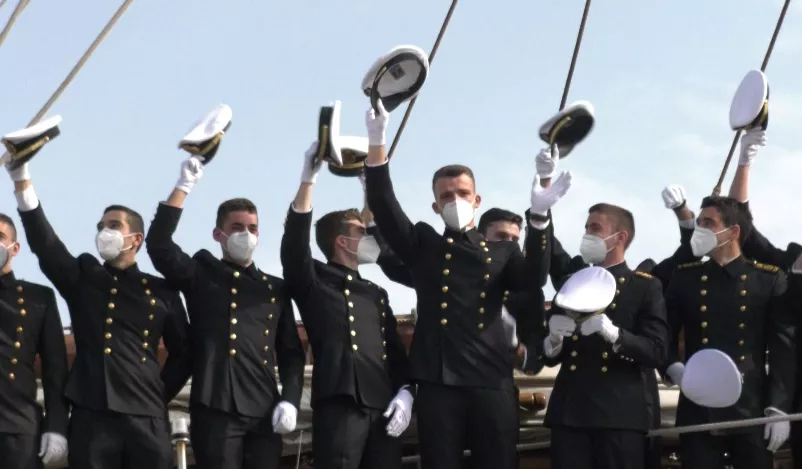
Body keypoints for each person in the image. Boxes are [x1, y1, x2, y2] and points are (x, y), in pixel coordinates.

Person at [361, 100, 552, 469]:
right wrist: (377, 142)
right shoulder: (423, 245)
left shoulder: (502, 252)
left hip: (490, 381)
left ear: (477, 200)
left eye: (462, 193)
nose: (455, 200)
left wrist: (541, 219)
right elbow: (385, 207)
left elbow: (535, 278)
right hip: (438, 384)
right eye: (446, 196)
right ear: (434, 206)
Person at [5, 126, 192, 469]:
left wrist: (154, 393)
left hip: (147, 420)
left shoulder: (162, 291)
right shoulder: (84, 278)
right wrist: (22, 181)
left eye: (114, 225)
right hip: (93, 416)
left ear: (135, 239)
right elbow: (47, 246)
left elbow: (184, 352)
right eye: (101, 225)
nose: (104, 231)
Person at [145, 152, 306, 469]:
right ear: (218, 234)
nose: (246, 234)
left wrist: (289, 398)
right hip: (215, 406)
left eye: (252, 227)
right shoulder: (201, 274)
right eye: (236, 227)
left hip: (263, 408)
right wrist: (184, 184)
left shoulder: (274, 289)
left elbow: (290, 352)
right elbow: (159, 245)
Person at [525, 147, 669, 469]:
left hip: (618, 416)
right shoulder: (573, 282)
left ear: (620, 237)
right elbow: (548, 353)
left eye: (595, 228)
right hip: (570, 413)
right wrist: (553, 342)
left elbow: (657, 351)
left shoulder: (644, 286)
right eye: (587, 227)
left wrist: (616, 334)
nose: (587, 234)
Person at [280, 142, 413, 468]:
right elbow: (294, 248)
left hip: (383, 406)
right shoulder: (316, 282)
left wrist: (406, 392)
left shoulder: (376, 293)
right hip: (339, 406)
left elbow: (395, 355)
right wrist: (308, 179)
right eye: (359, 231)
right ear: (341, 241)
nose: (368, 235)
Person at [660, 195, 794, 468]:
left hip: (751, 406)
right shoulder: (685, 277)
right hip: (698, 404)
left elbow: (783, 349)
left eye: (709, 222)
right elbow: (664, 333)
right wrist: (672, 365)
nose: (701, 229)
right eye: (699, 223)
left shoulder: (768, 279)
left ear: (733, 232)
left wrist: (779, 407)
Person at [0, 212, 69, 469]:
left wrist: (57, 426)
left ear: (14, 248)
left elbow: (56, 369)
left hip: (19, 426)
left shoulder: (38, 298)